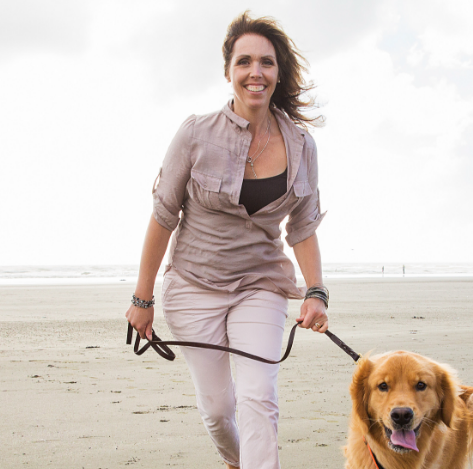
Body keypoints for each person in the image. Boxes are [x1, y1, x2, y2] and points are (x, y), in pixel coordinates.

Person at [124, 11, 329, 469]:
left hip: (260, 284)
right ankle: (237, 460)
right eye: (245, 62)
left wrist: (316, 291)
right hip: (194, 285)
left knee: (259, 397)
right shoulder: (196, 134)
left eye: (266, 63)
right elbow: (162, 217)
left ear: (278, 73)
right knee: (219, 411)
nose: (255, 72)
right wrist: (142, 297)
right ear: (229, 72)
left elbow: (304, 225)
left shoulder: (301, 145)